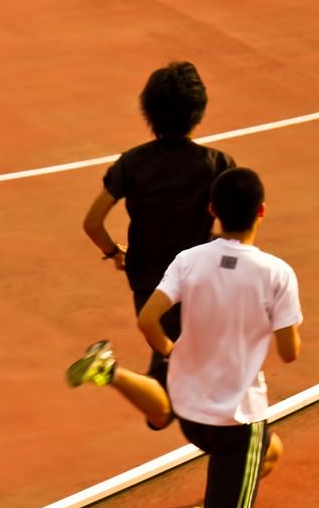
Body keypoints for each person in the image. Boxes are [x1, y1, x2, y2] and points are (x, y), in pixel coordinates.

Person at [66, 167, 303, 508]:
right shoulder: (277, 274)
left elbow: (147, 320)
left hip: (189, 408)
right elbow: (290, 353)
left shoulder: (189, 260)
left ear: (213, 212)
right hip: (236, 420)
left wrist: (174, 353)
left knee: (273, 452)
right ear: (261, 211)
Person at [82, 61, 235, 385]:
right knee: (173, 390)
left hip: (148, 282)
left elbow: (93, 222)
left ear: (148, 110)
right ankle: (108, 371)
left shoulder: (132, 163)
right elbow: (235, 229)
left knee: (177, 371)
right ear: (199, 110)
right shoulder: (217, 165)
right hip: (199, 281)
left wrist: (114, 253)